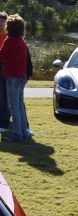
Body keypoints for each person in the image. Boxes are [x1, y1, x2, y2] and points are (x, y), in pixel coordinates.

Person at [0, 14, 30, 142]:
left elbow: (1, 57)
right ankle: (24, 131)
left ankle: (17, 133)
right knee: (19, 104)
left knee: (13, 106)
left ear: (10, 27)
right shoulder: (21, 40)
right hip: (21, 76)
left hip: (12, 77)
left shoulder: (9, 40)